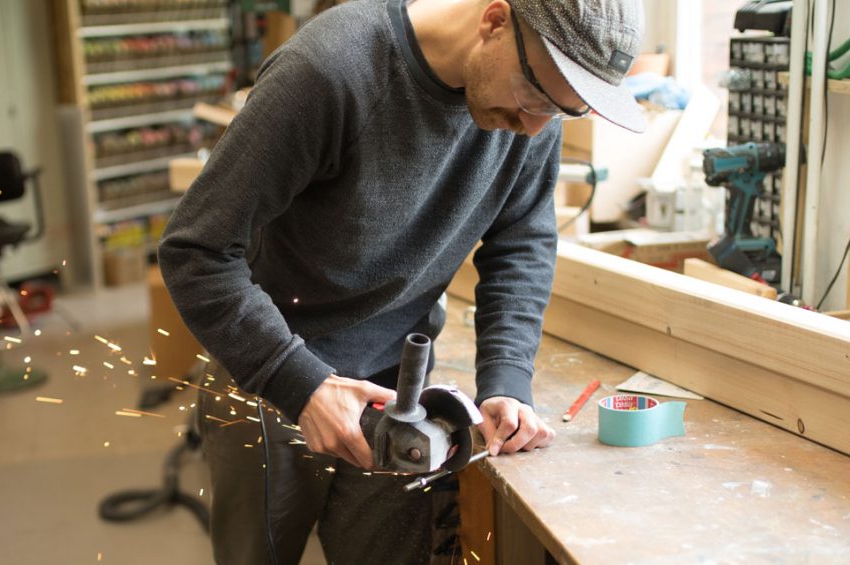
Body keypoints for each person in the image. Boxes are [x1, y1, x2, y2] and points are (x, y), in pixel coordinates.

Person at [159, 0, 646, 562]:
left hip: (398, 387)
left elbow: (521, 241)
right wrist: (298, 384)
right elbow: (195, 250)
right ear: (494, 20)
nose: (536, 127)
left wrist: (507, 378)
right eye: (536, 97)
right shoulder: (328, 72)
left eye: (564, 111)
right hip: (272, 372)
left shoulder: (536, 103)